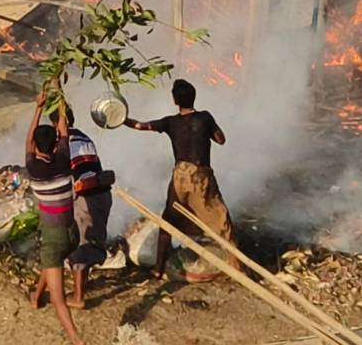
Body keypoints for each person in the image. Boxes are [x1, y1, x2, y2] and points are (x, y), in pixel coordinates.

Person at [124, 78, 242, 278]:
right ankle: (238, 269)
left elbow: (141, 126)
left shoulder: (170, 122)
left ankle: (158, 269)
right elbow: (221, 140)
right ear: (194, 98)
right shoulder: (205, 118)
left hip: (180, 177)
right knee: (221, 222)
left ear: (175, 101)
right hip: (201, 177)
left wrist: (121, 119)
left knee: (168, 221)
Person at [24, 88, 85, 345]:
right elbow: (63, 130)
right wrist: (60, 95)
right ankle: (35, 298)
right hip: (72, 232)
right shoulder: (63, 161)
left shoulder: (34, 167)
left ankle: (76, 340)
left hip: (53, 235)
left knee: (59, 298)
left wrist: (38, 107)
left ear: (37, 148)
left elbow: (29, 140)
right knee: (52, 264)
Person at [49, 101, 113, 309]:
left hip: (86, 199)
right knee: (92, 241)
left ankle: (78, 297)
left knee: (80, 246)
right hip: (102, 196)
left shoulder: (65, 144)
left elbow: (75, 178)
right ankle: (80, 285)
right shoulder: (85, 137)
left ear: (56, 125)